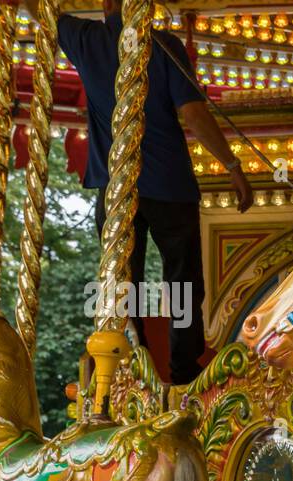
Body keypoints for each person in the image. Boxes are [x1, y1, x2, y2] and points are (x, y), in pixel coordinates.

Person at [25, 0, 253, 384]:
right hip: (169, 186)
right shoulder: (162, 45)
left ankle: (126, 366)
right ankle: (182, 370)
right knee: (180, 282)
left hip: (116, 188)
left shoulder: (86, 40)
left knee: (119, 280)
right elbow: (195, 114)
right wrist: (233, 167)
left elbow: (38, 10)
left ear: (106, 4)